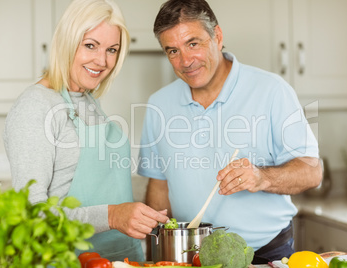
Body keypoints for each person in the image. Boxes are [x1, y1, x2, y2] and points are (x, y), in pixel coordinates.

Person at [137, 0, 322, 264]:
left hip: (265, 252)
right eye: (172, 51)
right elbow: (159, 185)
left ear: (218, 36)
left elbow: (311, 171)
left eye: (193, 43)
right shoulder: (159, 103)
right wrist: (156, 249)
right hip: (189, 256)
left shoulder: (272, 91)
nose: (186, 61)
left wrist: (262, 178)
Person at [3, 0, 169, 262]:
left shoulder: (89, 100)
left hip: (121, 258)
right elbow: (32, 215)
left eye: (112, 50)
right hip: (66, 260)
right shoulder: (35, 106)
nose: (102, 61)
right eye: (90, 45)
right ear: (67, 42)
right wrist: (113, 215)